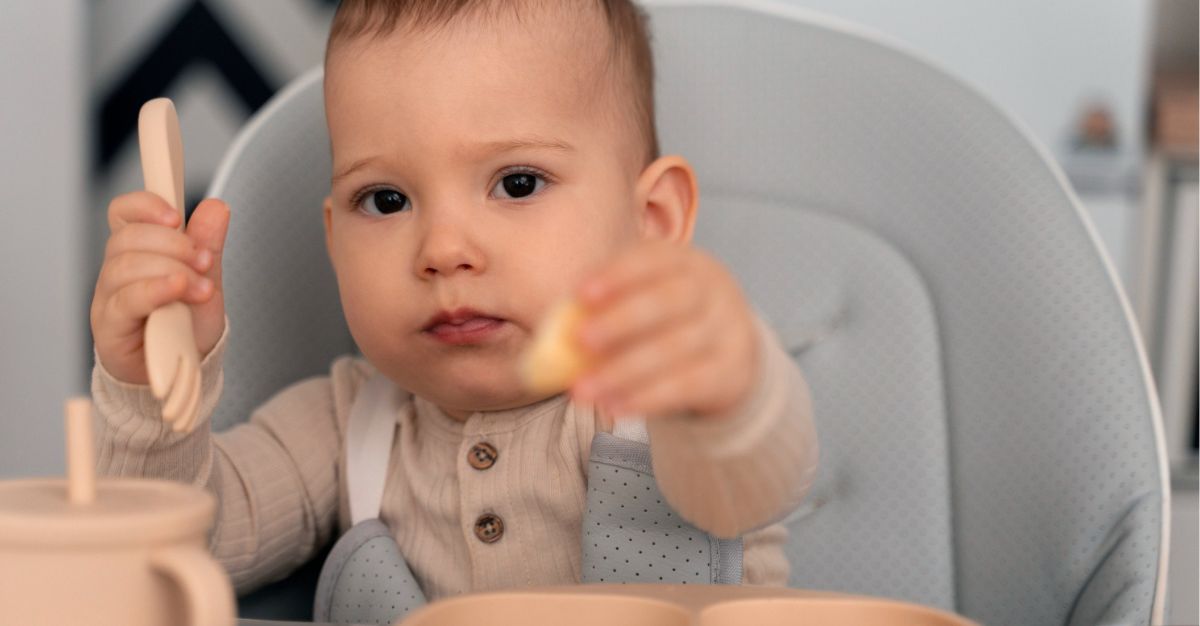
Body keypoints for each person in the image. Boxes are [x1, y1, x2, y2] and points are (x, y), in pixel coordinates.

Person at [89, 0, 818, 601]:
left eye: (518, 183)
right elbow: (174, 554)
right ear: (336, 241)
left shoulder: (655, 396)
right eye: (387, 199)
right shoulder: (348, 427)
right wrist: (152, 394)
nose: (443, 249)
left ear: (652, 223)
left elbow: (750, 481)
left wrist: (727, 383)